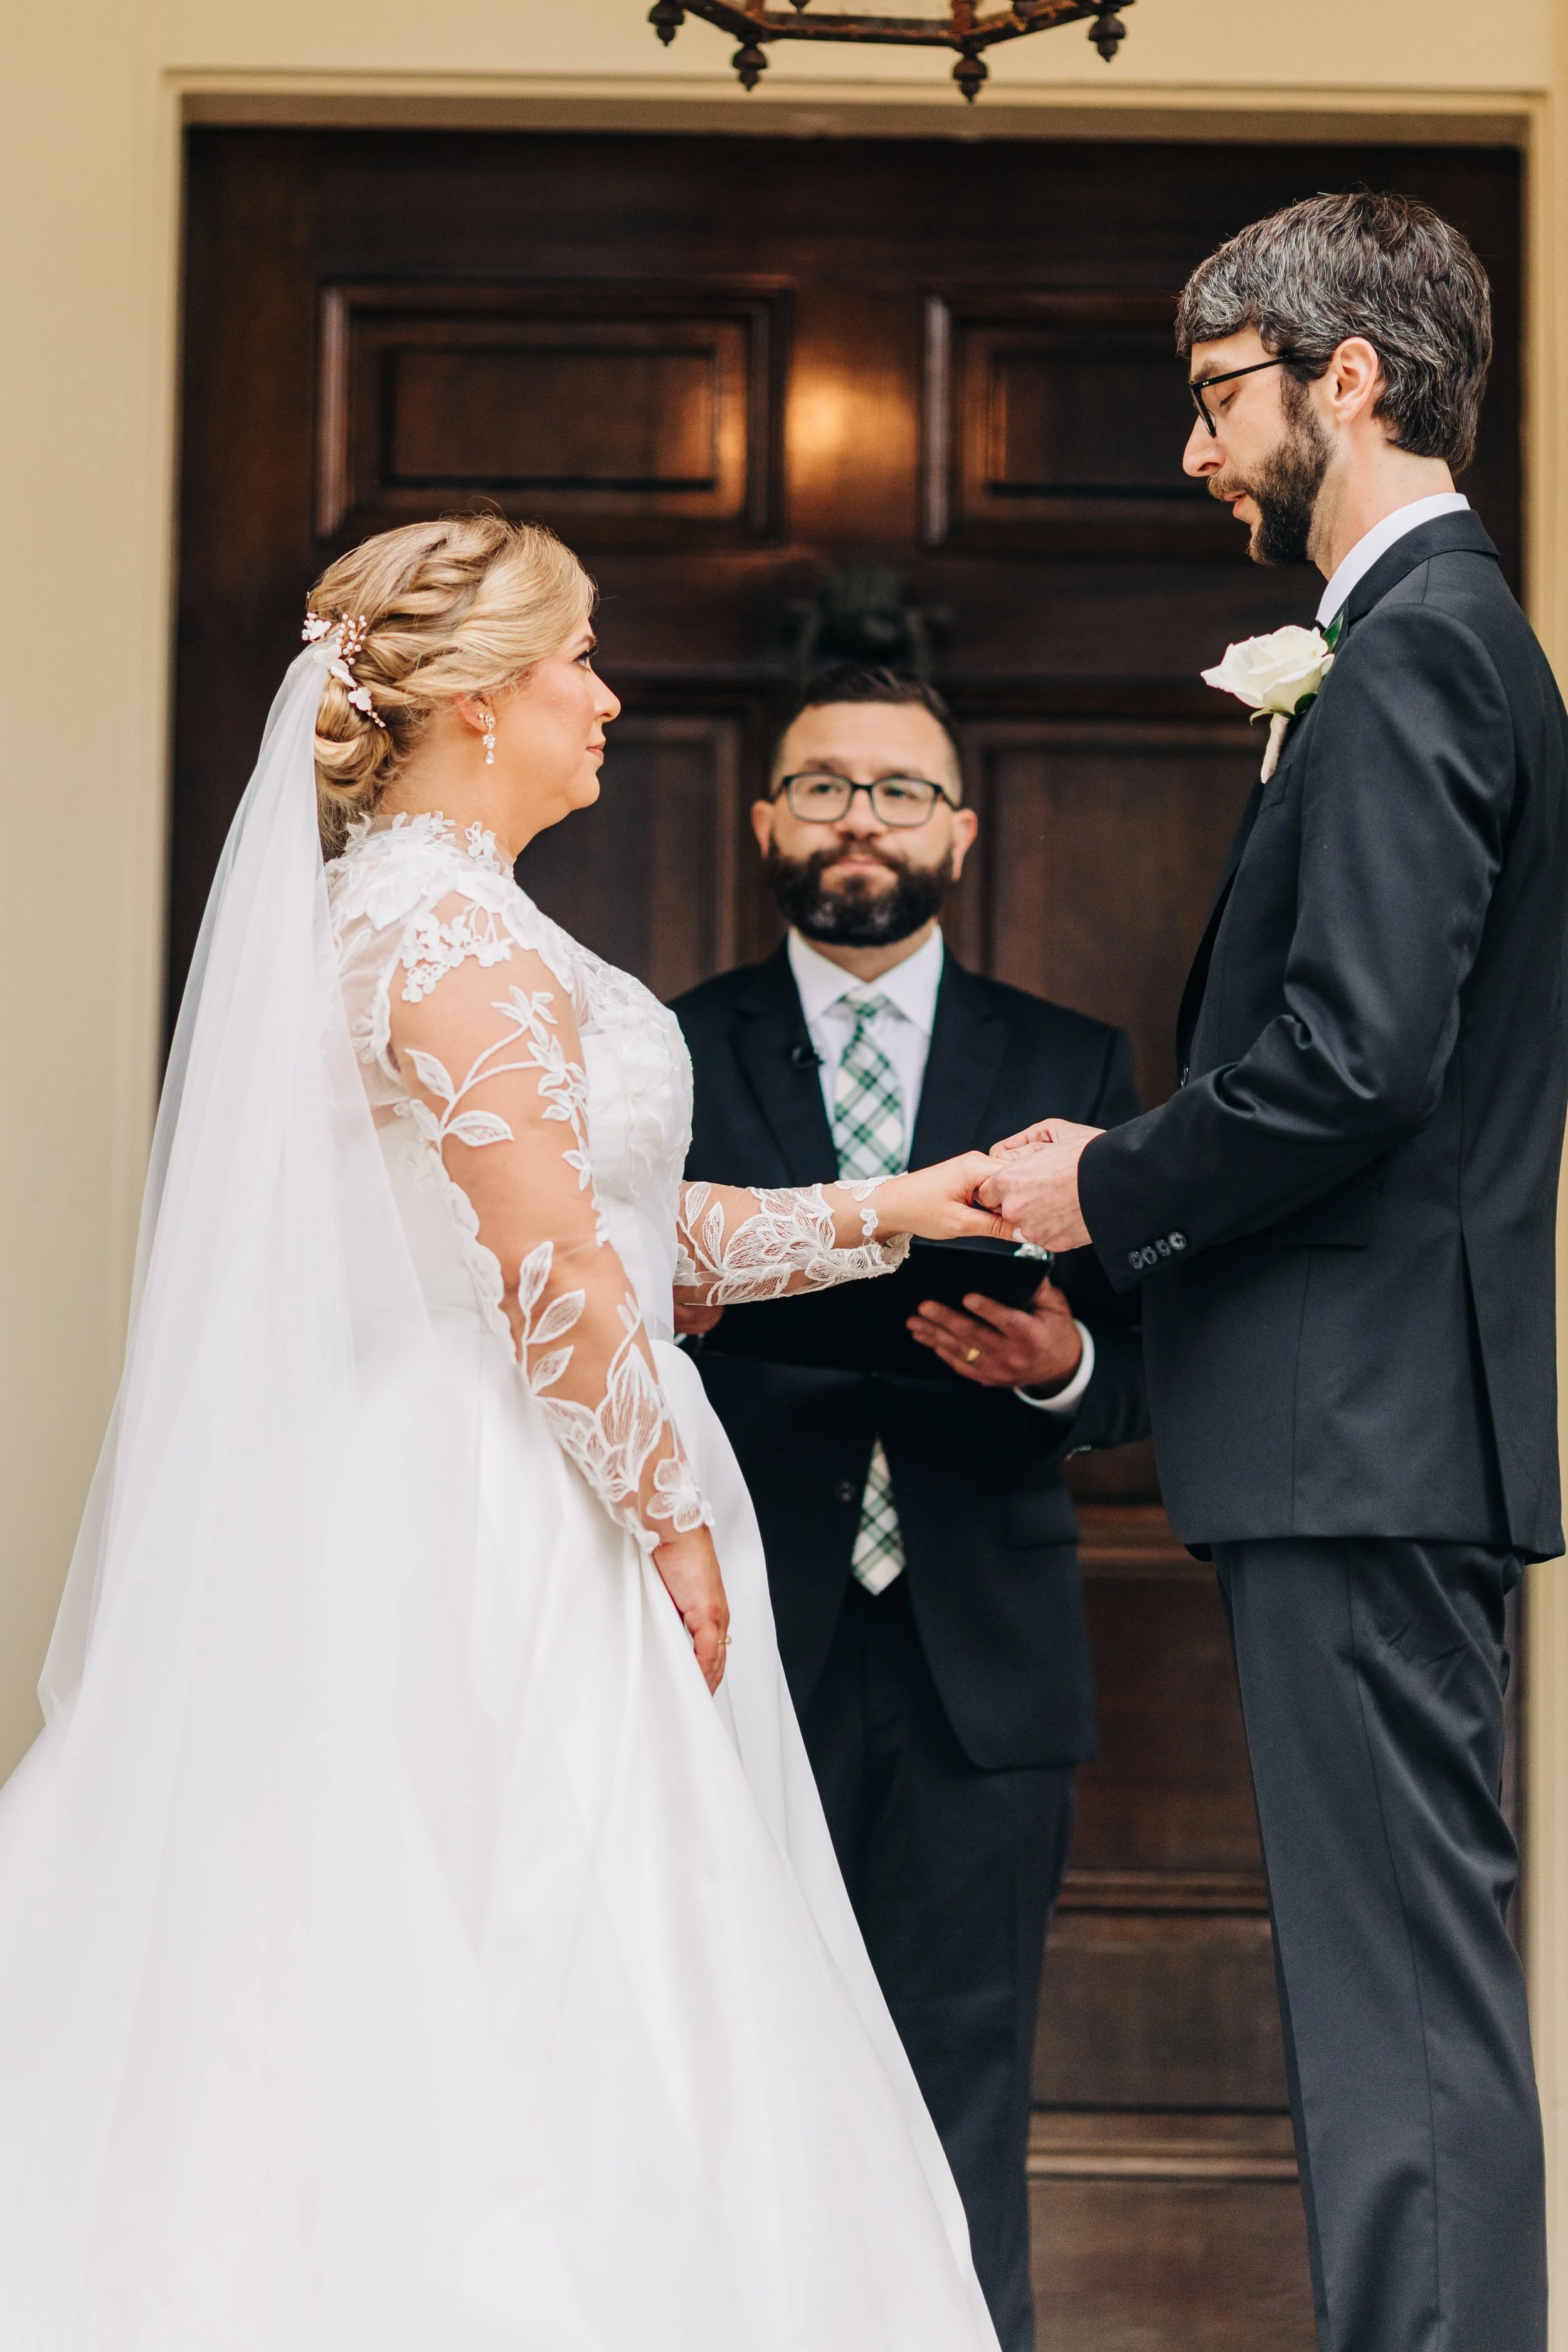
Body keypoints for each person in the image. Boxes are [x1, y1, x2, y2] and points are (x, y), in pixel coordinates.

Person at [0, 516, 1025, 2350]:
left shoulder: (443, 911)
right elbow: (554, 1279)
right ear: (480, 702)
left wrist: (901, 1204)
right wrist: (676, 1517)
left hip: (537, 1468)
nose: (608, 694)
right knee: (526, 1971)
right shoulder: (440, 932)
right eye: (578, 660)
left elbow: (636, 1234)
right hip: (499, 1520)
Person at [980, 191, 1564, 2352]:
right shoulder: (1424, 644)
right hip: (1360, 1432)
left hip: (1367, 1440)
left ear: (1349, 378)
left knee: (1398, 2000)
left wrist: (1099, 1184)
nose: (1199, 452)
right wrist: (1104, 1293)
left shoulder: (1415, 651)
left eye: (1219, 396)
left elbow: (1354, 1063)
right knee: (1391, 1989)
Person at [672, 665, 1147, 2352]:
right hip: (725, 1640)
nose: (856, 818)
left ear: (959, 825)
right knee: (716, 2070)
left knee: (965, 2089)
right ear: (763, 821)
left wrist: (1058, 1360)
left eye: (893, 790)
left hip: (983, 1657)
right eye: (821, 787)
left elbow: (1145, 1371)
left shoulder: (1069, 1054)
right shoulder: (663, 1047)